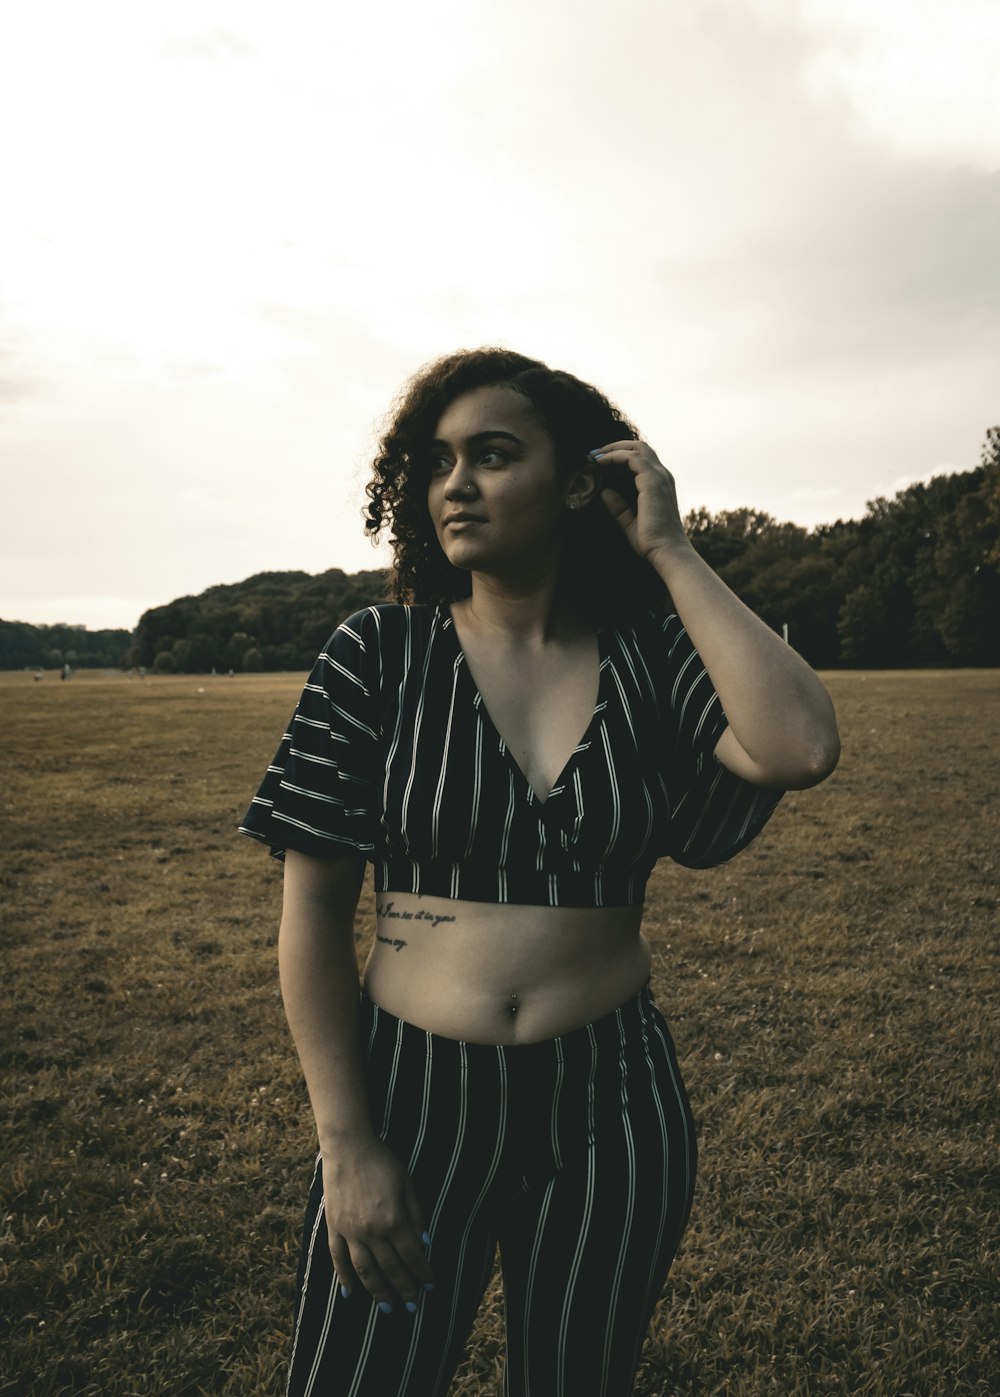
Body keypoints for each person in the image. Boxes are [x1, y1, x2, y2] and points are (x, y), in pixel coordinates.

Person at [239, 348, 840, 1397]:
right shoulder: (378, 653)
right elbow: (312, 915)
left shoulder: (649, 655)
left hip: (609, 1098)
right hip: (413, 1095)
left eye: (493, 455)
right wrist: (348, 1143)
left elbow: (798, 745)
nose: (454, 484)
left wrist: (673, 551)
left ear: (576, 481)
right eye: (435, 462)